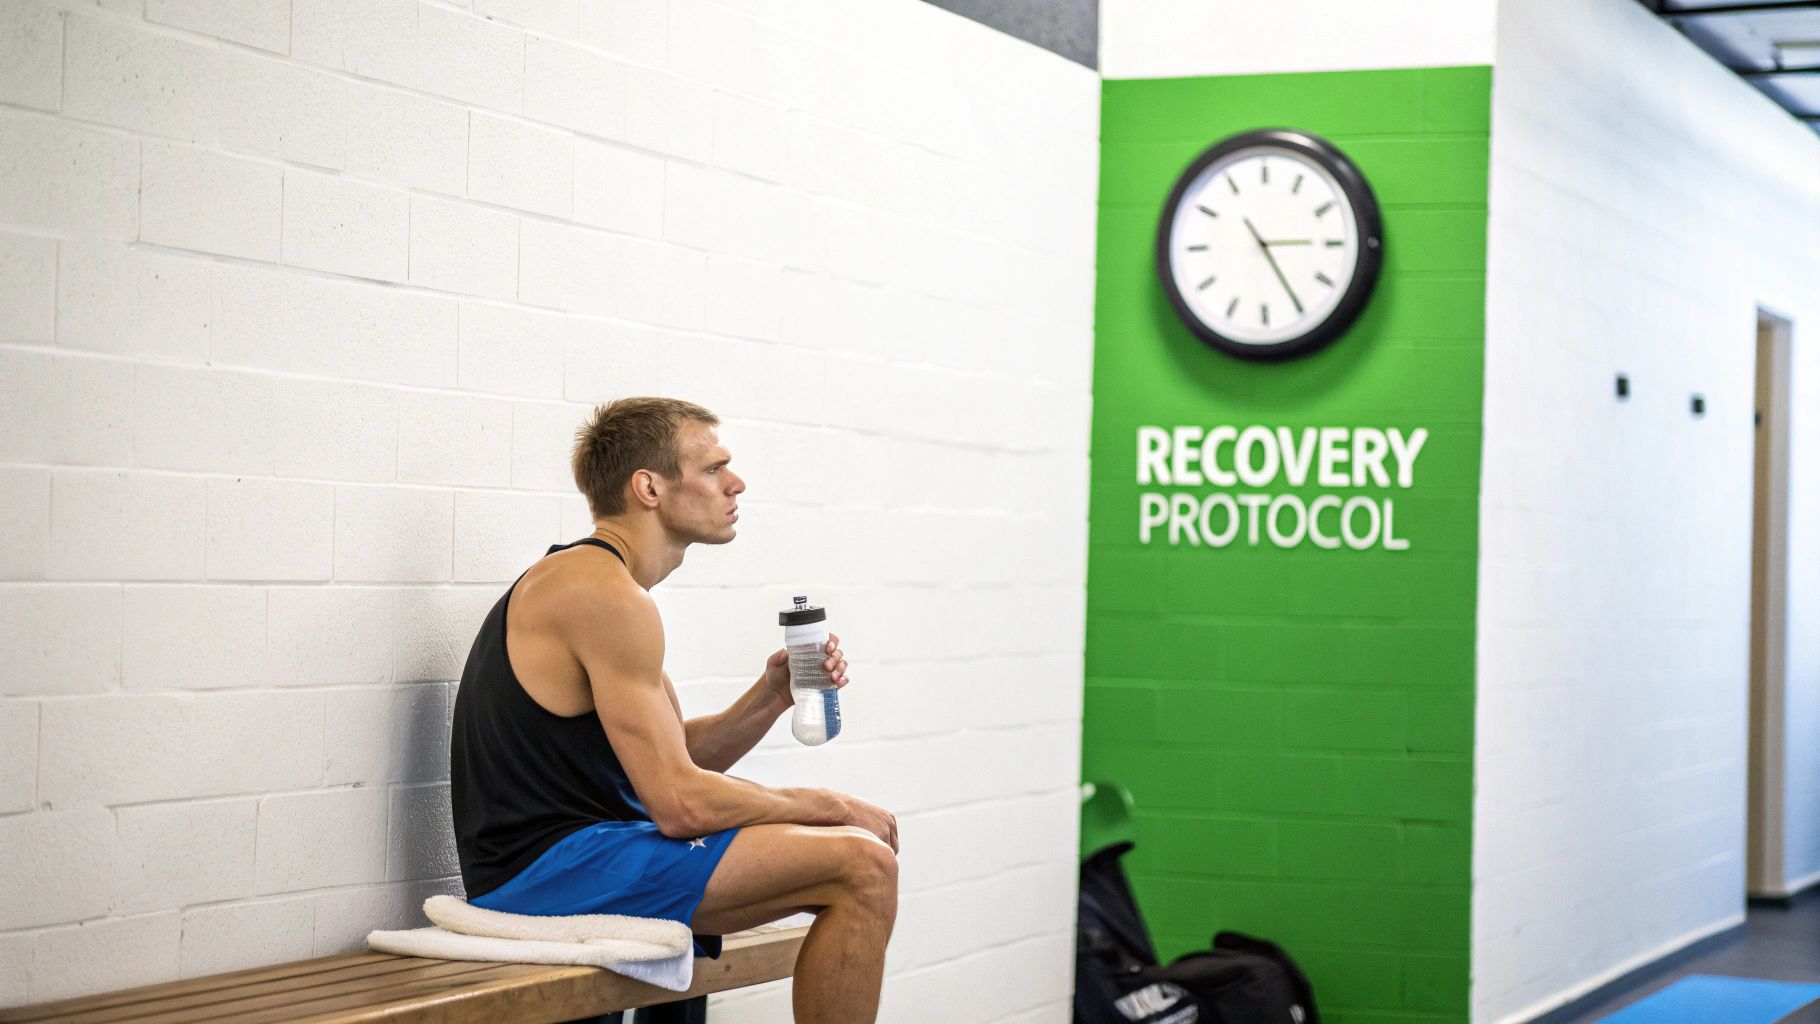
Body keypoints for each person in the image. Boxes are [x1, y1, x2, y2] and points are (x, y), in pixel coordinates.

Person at [449, 397, 899, 1024]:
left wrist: (769, 696)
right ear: (650, 488)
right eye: (715, 468)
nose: (735, 483)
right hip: (541, 874)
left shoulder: (603, 584)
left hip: (587, 852)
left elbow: (673, 762)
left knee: (845, 851)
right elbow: (682, 804)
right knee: (863, 864)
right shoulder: (601, 595)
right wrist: (832, 805)